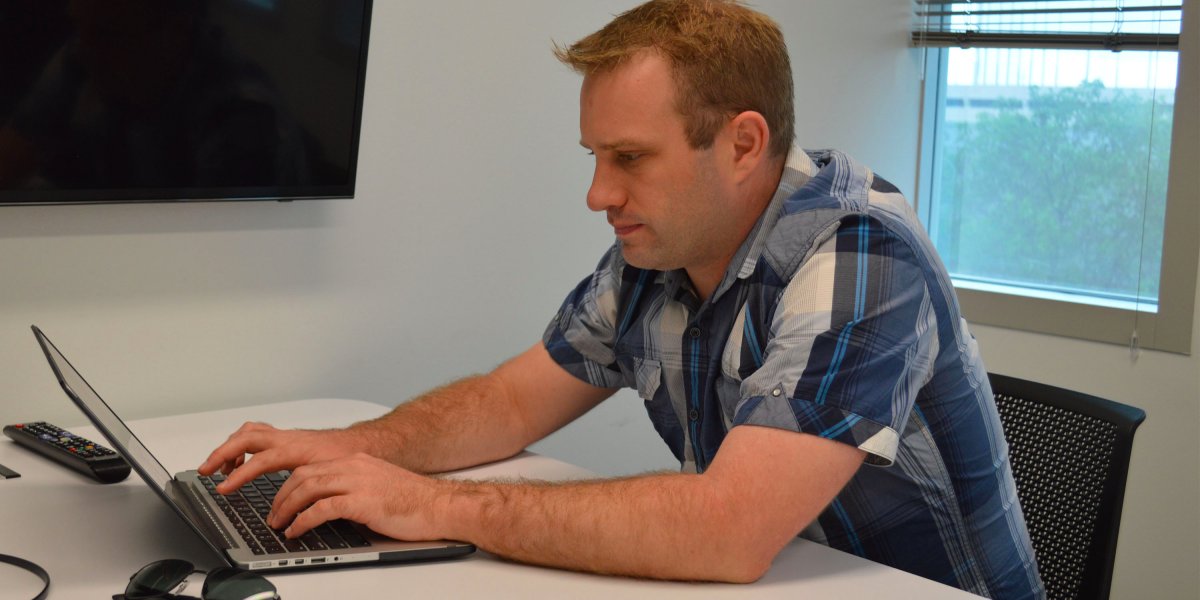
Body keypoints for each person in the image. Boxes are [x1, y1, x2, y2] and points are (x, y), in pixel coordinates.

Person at [199, 1, 1044, 596]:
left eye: (630, 158)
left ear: (743, 144)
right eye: (595, 157)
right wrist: (349, 449)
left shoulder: (861, 252)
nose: (599, 194)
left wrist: (429, 505)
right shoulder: (662, 252)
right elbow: (510, 403)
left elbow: (729, 529)